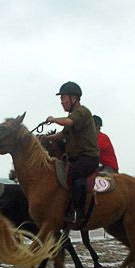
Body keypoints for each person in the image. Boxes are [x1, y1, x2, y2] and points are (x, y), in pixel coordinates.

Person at [43, 81, 100, 223]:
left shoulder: (81, 112)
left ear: (73, 98)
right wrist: (45, 138)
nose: (61, 102)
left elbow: (68, 123)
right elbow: (63, 134)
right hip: (76, 158)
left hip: (88, 157)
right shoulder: (73, 115)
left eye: (63, 98)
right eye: (61, 99)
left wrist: (54, 119)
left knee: (74, 175)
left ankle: (78, 212)